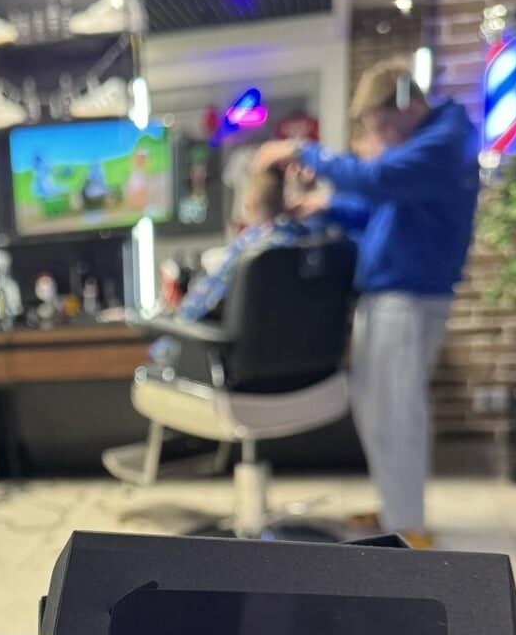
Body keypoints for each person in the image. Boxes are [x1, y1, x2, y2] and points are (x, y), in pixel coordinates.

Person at [254, 59, 479, 547]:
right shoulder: (421, 147)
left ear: (405, 103)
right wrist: (326, 206)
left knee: (398, 410)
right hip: (386, 295)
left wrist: (300, 150)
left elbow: (378, 179)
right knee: (375, 409)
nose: (378, 137)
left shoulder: (444, 141)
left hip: (410, 298)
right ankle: (395, 510)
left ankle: (409, 526)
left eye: (380, 126)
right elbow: (375, 209)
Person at [178, 167, 307, 323]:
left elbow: (198, 306)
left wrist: (179, 315)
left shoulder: (249, 245)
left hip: (247, 334)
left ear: (249, 205)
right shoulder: (308, 240)